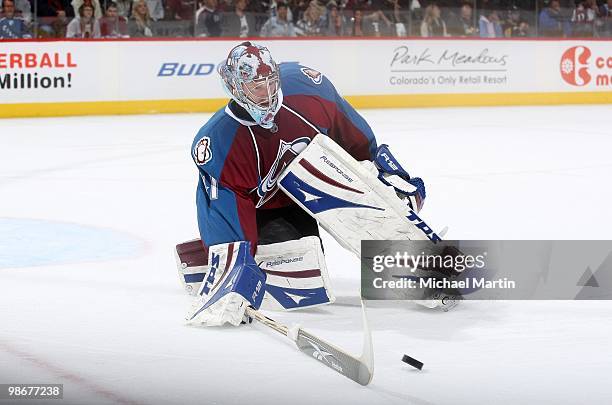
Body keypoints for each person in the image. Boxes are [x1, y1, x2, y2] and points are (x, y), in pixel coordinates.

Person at [178, 42, 433, 327]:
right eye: (256, 87)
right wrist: (233, 271)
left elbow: (356, 141)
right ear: (235, 87)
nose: (268, 94)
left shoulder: (307, 89)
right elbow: (228, 213)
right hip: (265, 210)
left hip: (316, 182)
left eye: (271, 82)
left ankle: (422, 267)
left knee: (364, 192)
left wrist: (387, 179)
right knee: (304, 279)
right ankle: (205, 261)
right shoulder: (219, 143)